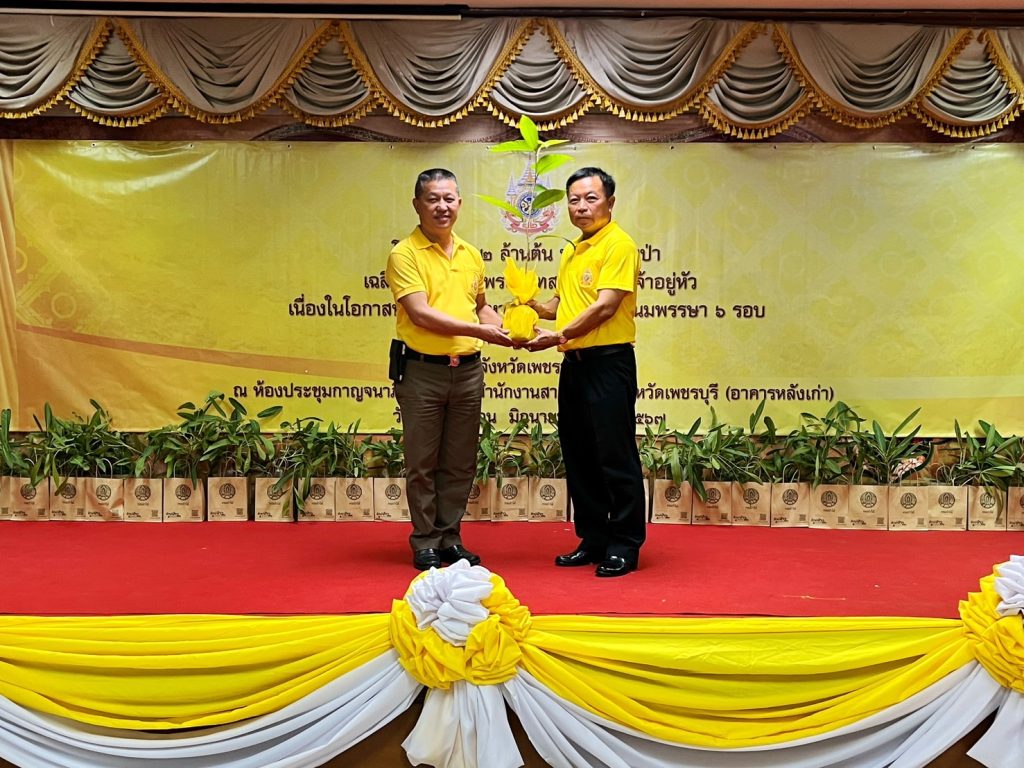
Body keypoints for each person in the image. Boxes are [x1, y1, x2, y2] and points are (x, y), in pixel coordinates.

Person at [386, 168, 513, 570]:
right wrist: (479, 330)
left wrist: (512, 330)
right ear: (417, 204)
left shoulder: (471, 254)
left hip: (468, 372)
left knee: (460, 461)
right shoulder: (404, 254)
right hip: (422, 371)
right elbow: (421, 314)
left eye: (449, 199)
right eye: (433, 199)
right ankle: (425, 539)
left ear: (459, 203)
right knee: (422, 462)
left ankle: (450, 538)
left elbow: (481, 307)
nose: (442, 207)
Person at [524, 167, 645, 577]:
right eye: (574, 200)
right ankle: (593, 539)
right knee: (580, 455)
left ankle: (624, 544)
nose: (581, 207)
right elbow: (562, 305)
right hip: (574, 365)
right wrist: (529, 306)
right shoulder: (572, 250)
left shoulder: (619, 245)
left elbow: (605, 306)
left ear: (610, 202)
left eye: (590, 198)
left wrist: (558, 335)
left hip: (609, 363)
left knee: (615, 455)